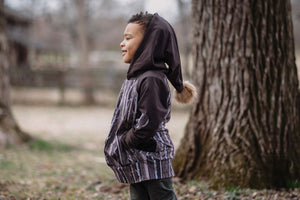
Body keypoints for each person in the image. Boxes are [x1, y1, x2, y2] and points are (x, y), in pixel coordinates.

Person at [104, 12, 196, 200]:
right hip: (136, 158)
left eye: (128, 38)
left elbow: (150, 120)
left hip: (151, 156)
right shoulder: (136, 77)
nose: (122, 43)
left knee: (162, 197)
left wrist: (126, 140)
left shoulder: (152, 78)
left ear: (149, 43)